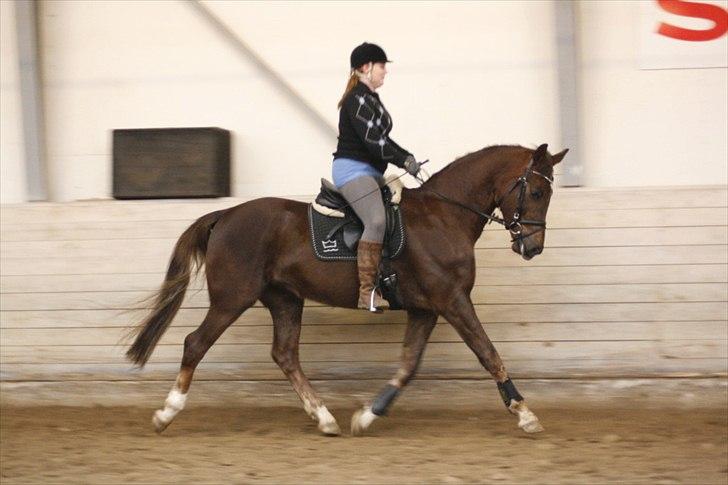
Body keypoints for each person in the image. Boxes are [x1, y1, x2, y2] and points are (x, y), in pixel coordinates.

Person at [332, 42, 421, 312]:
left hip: (373, 172)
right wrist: (402, 159)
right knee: (376, 219)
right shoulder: (357, 99)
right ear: (365, 67)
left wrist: (407, 155)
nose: (385, 72)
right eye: (382, 66)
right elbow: (374, 143)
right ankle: (366, 293)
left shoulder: (370, 98)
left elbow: (384, 140)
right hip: (353, 170)